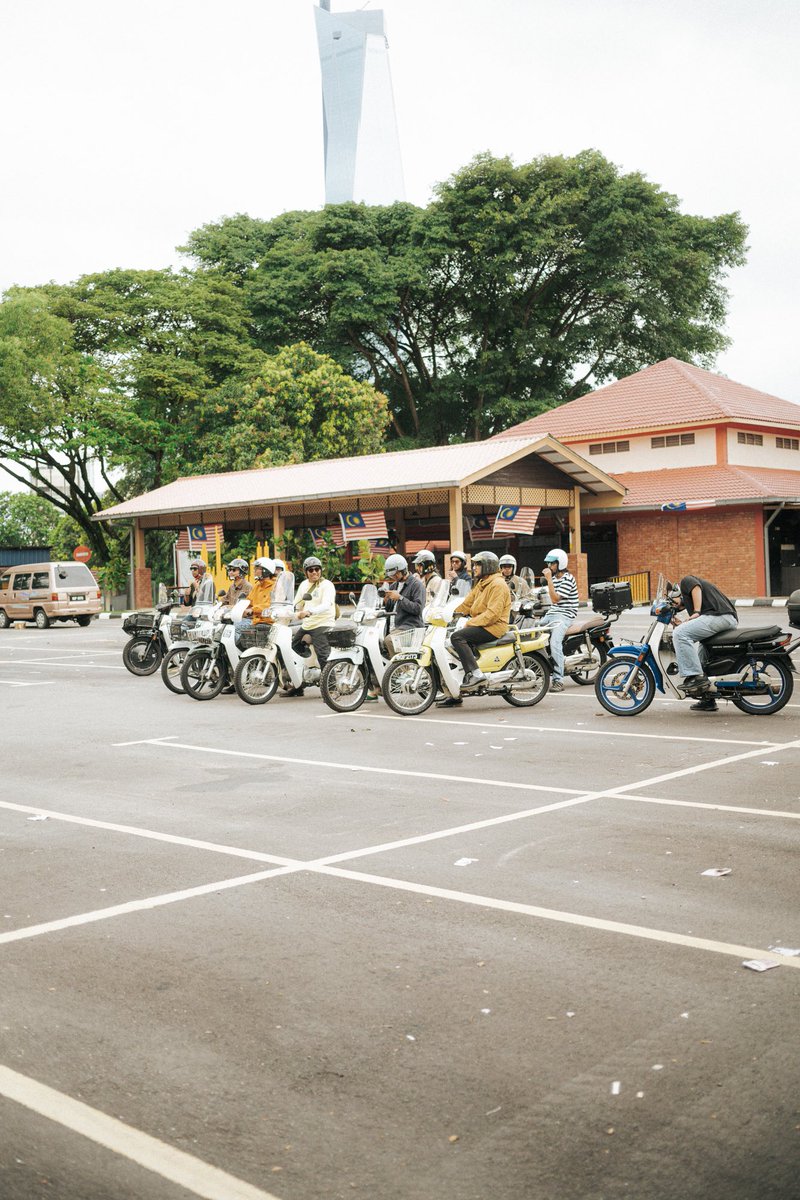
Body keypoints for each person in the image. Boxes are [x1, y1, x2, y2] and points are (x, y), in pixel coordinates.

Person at [437, 550, 511, 708]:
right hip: (483, 623)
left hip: (494, 626)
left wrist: (470, 623)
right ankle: (456, 693)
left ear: (488, 566)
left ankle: (476, 674)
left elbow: (493, 614)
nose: (475, 567)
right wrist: (448, 613)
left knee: (457, 637)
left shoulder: (498, 585)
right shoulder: (482, 583)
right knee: (449, 646)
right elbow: (467, 603)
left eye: (478, 564)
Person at [672, 574, 737, 712]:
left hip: (720, 616)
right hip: (724, 618)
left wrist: (696, 611)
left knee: (680, 634)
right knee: (702, 655)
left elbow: (696, 587)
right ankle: (707, 699)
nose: (674, 605)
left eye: (673, 601)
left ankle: (695, 677)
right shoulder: (693, 601)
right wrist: (682, 623)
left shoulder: (686, 581)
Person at [287, 555, 336, 694]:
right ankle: (298, 684)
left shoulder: (327, 585)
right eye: (311, 570)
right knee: (292, 648)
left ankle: (331, 689)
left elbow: (326, 605)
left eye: (317, 569)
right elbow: (296, 603)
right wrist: (288, 612)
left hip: (323, 623)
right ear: (305, 572)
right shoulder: (303, 585)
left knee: (323, 655)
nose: (314, 572)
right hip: (308, 624)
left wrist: (309, 611)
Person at [538, 549, 578, 692]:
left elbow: (555, 599)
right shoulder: (554, 579)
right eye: (548, 563)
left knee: (555, 642)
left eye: (552, 563)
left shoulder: (568, 578)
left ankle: (558, 680)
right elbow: (548, 596)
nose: (549, 566)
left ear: (560, 564)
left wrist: (549, 579)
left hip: (565, 615)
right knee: (532, 630)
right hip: (552, 613)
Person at [382, 554, 426, 657]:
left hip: (409, 627)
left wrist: (400, 598)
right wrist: (385, 600)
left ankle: (402, 669)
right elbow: (389, 609)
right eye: (393, 574)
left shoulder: (417, 585)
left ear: (404, 570)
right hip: (394, 627)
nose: (394, 576)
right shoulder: (394, 585)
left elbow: (418, 609)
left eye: (396, 573)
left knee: (390, 640)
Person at [234, 557, 276, 649]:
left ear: (265, 571)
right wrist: (237, 609)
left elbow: (270, 605)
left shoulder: (274, 586)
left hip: (268, 624)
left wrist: (252, 610)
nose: (254, 571)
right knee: (238, 644)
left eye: (257, 568)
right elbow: (248, 601)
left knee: (236, 629)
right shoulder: (257, 586)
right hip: (256, 623)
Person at [179, 559, 215, 634]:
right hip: (195, 613)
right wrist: (186, 595)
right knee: (182, 625)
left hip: (204, 613)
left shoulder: (208, 582)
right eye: (191, 569)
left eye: (195, 569)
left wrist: (197, 588)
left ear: (201, 569)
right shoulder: (194, 583)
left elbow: (207, 599)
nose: (192, 571)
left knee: (186, 624)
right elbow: (188, 603)